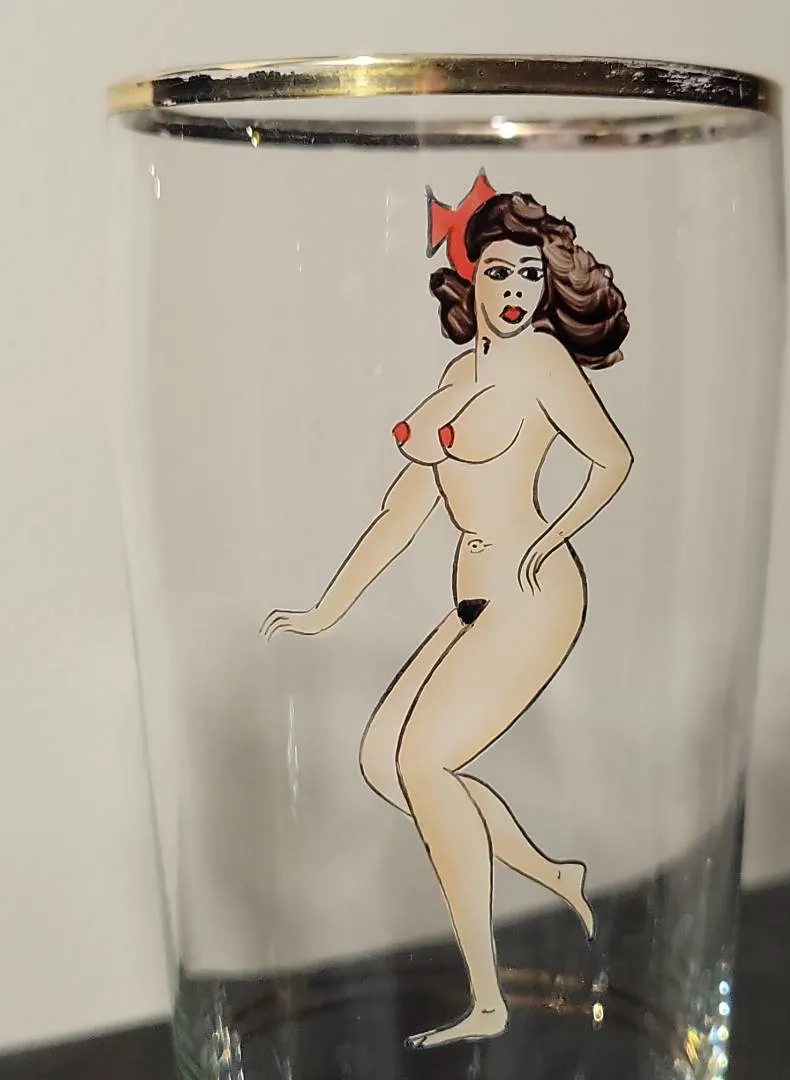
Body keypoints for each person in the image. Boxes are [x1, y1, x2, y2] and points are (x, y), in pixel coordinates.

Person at [261, 172, 632, 1049]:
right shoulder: (459, 373)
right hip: (473, 596)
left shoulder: (542, 364)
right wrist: (326, 610)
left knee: (424, 764)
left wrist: (550, 537)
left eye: (530, 275)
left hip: (533, 592)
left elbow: (612, 459)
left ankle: (488, 999)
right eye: (499, 272)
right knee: (382, 764)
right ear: (469, 277)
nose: (516, 291)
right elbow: (405, 509)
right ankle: (553, 868)